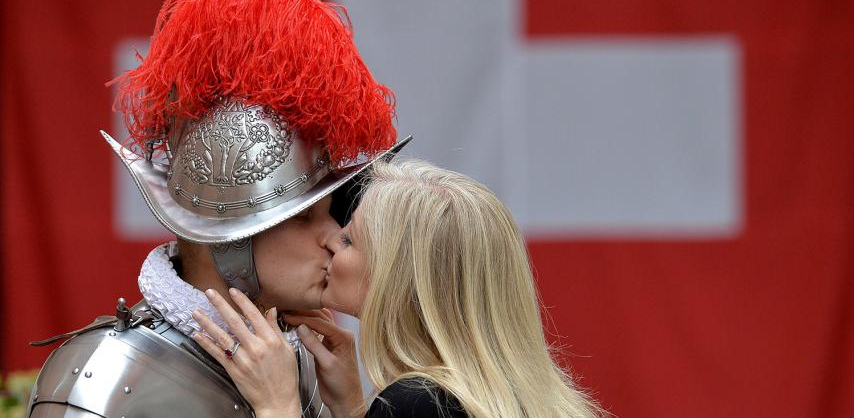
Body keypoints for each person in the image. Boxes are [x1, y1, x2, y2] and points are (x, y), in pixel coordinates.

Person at [26, 0, 409, 418]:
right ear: (232, 236)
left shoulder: (299, 363)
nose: (333, 236)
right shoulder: (100, 383)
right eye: (305, 217)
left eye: (327, 212)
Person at [195, 160, 602, 418]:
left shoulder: (422, 403)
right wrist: (355, 408)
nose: (332, 240)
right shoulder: (500, 394)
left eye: (351, 241)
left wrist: (277, 406)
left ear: (398, 279)